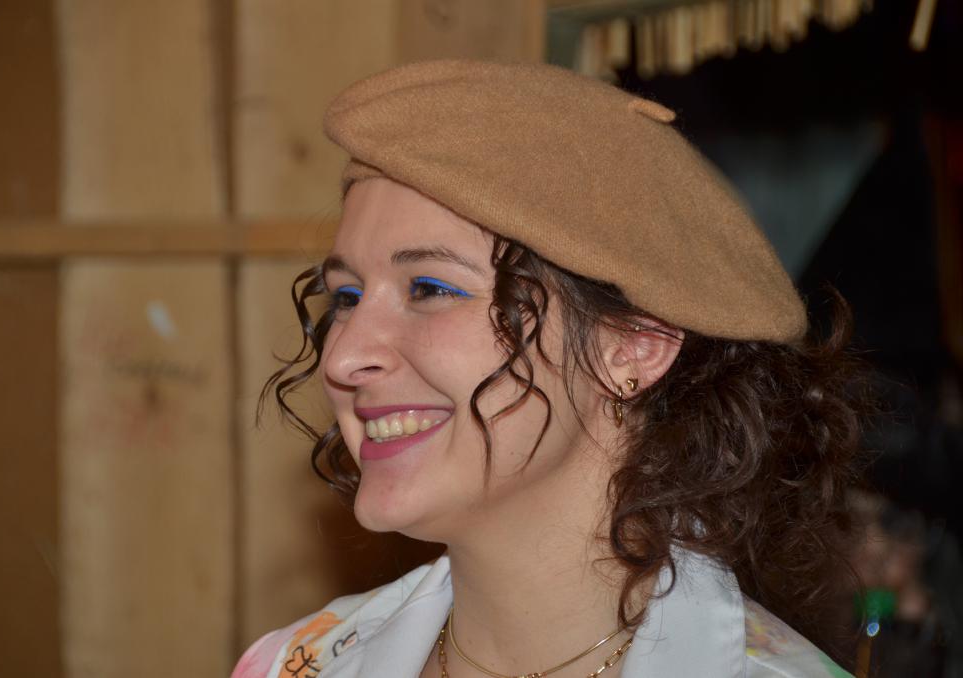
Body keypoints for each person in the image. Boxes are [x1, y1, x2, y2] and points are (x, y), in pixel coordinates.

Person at [232, 60, 866, 678]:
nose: (343, 357)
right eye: (346, 297)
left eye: (430, 288)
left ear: (634, 347)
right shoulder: (291, 665)